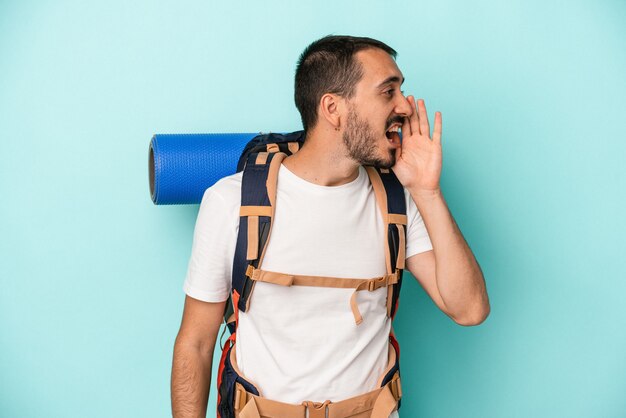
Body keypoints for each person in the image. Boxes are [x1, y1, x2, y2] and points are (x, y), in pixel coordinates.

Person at [171, 35, 490, 418]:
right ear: (333, 108)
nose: (405, 106)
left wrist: (428, 192)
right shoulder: (231, 201)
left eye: (402, 91)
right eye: (388, 91)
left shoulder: (398, 200)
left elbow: (469, 309)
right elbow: (196, 343)